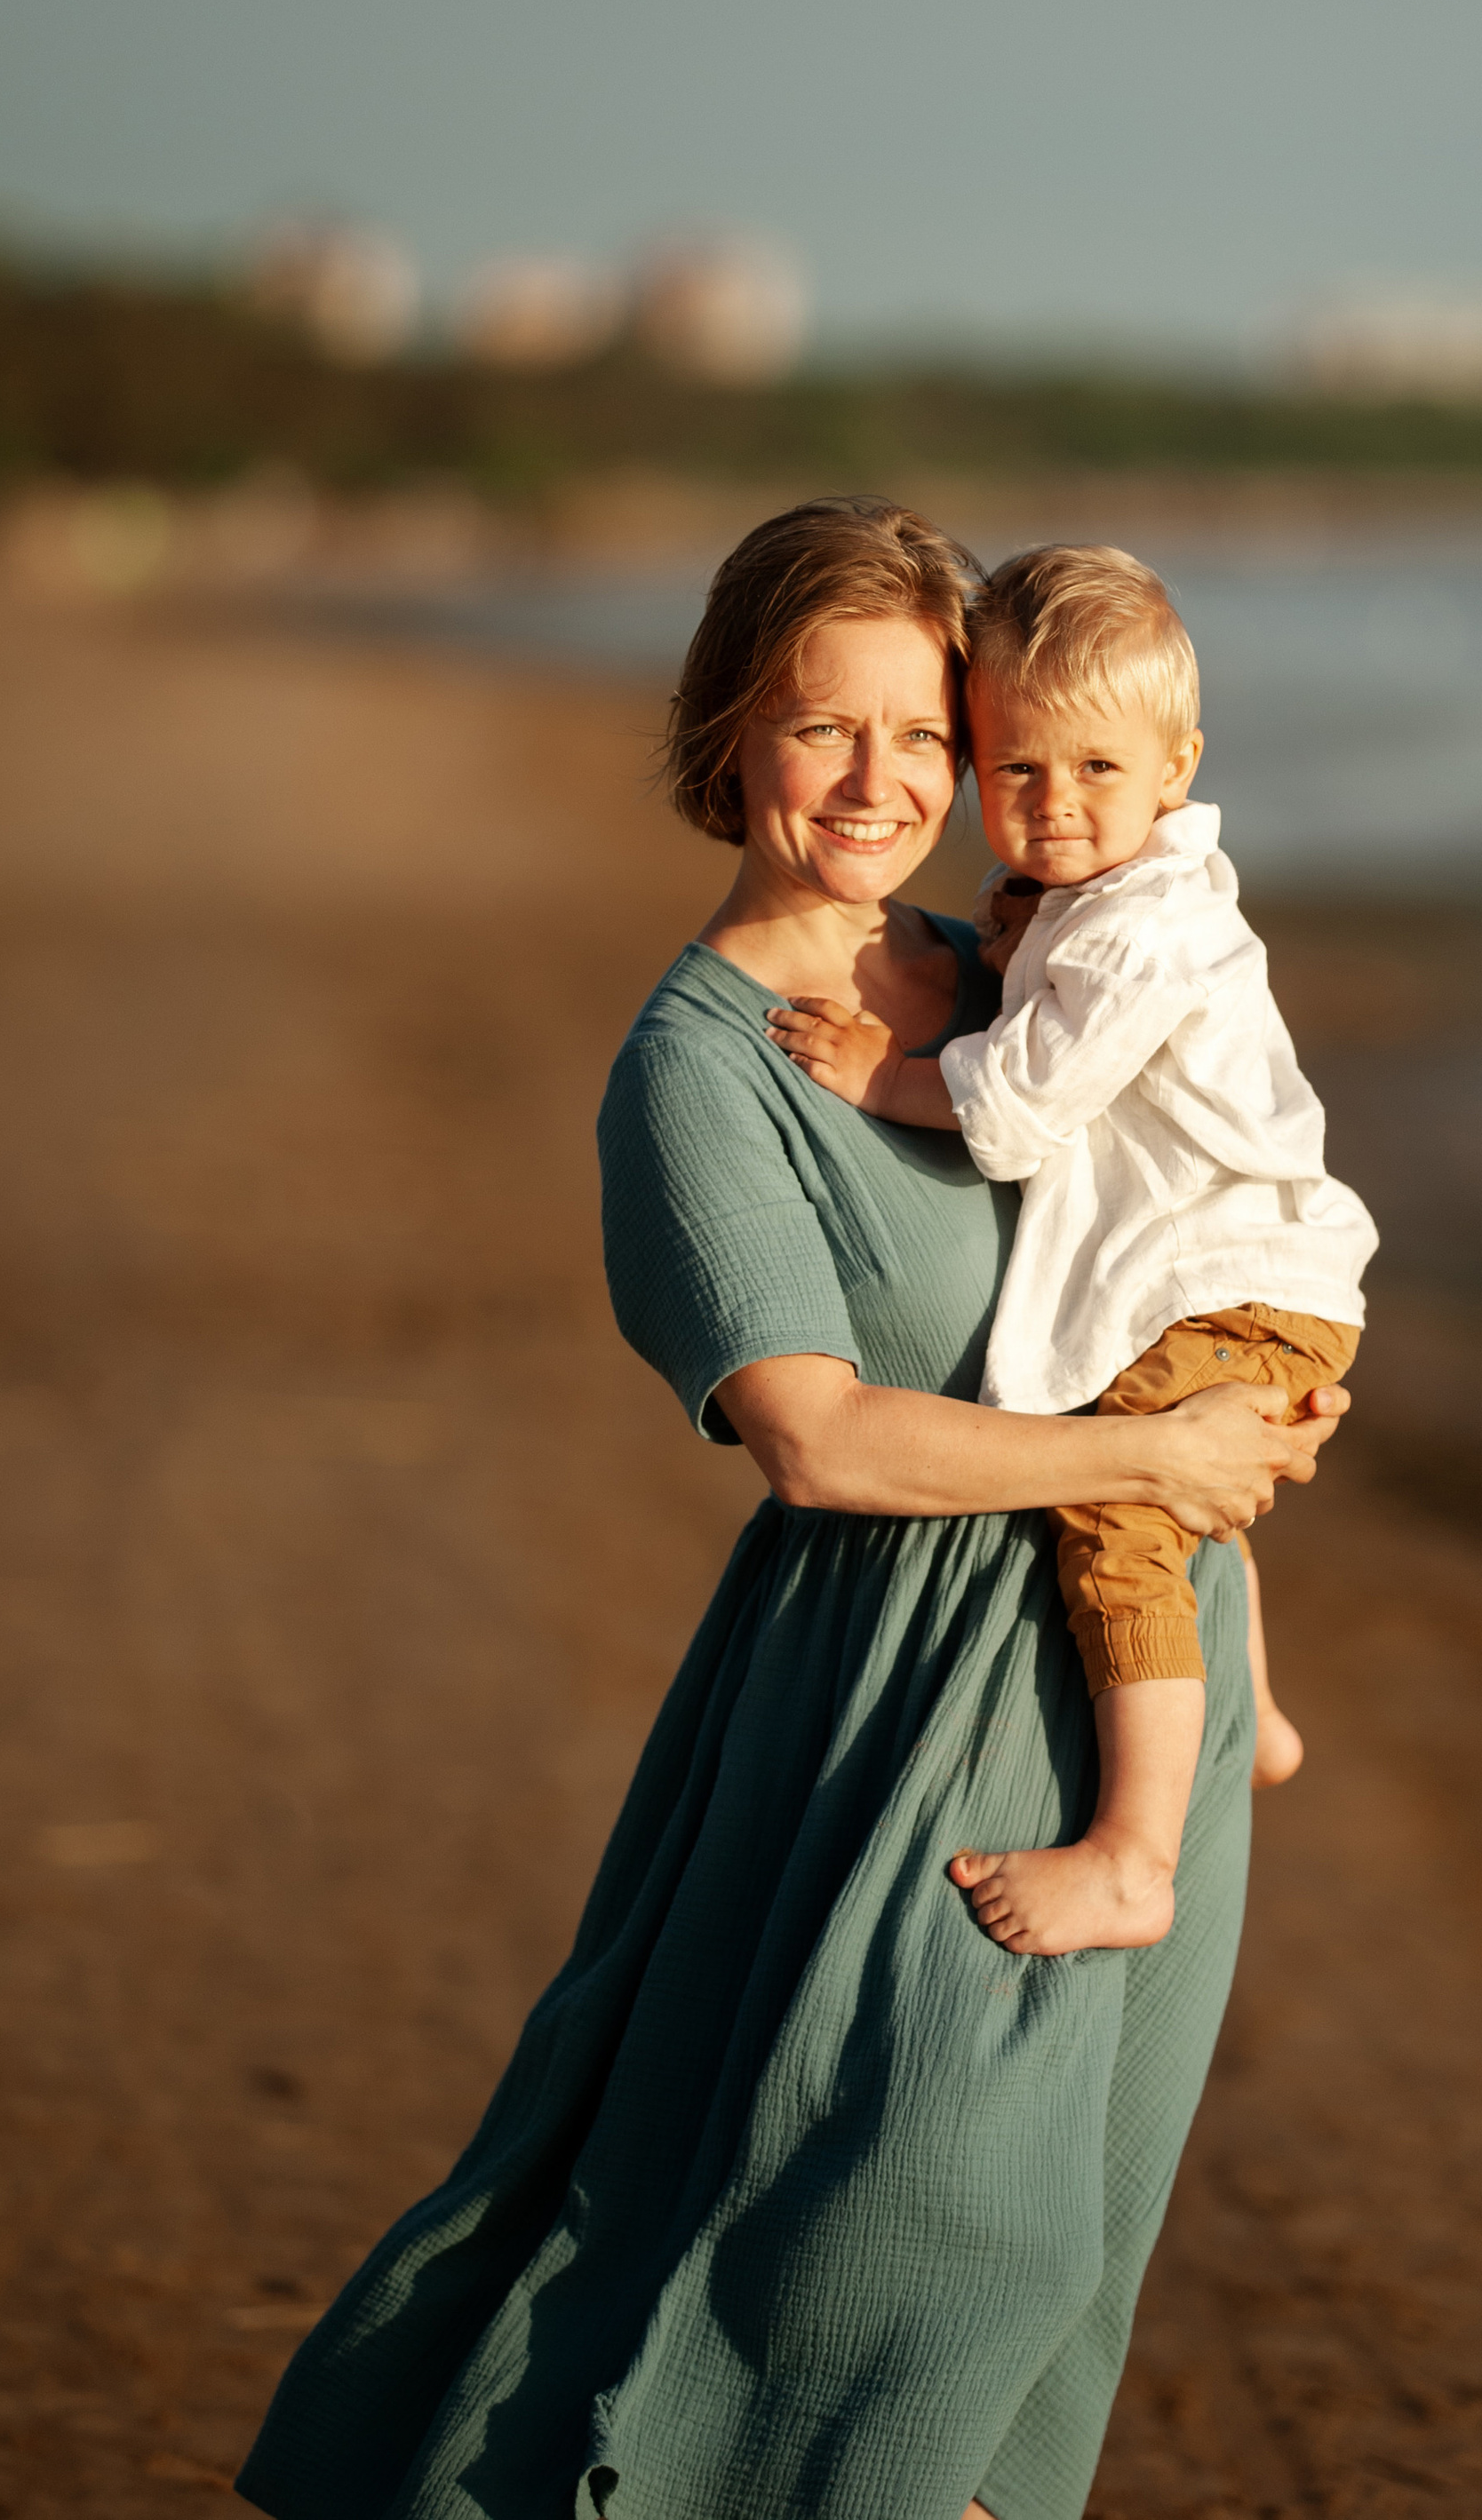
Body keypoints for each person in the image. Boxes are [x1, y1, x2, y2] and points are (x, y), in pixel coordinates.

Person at [235, 497, 1344, 2520]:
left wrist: (1239, 1462)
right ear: (729, 731)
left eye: (927, 735)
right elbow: (819, 1438)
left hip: (1136, 1684)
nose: (885, 783)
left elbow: (1160, 1269)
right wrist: (1156, 1467)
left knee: (1045, 2295)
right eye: (827, 729)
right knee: (912, 2267)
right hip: (900, 1723)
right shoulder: (693, 1071)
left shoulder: (1008, 968)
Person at [771, 543, 1375, 1962]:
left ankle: (1134, 1855)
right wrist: (1016, 933)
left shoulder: (1142, 934)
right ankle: (1261, 1714)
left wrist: (877, 1076)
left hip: (1234, 1284)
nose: (1054, 808)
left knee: (1120, 1515)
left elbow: (1018, 1106)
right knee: (1171, 1480)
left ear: (1178, 765)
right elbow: (1059, 974)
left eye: (1096, 774)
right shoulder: (1111, 901)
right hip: (1250, 1276)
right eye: (1017, 772)